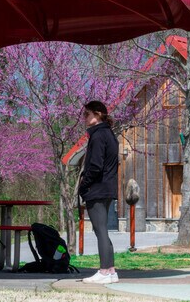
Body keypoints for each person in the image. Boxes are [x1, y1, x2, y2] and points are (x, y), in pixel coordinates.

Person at [78, 100, 119, 284]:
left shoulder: (98, 136)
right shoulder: (110, 134)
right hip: (108, 187)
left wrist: (83, 185)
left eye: (86, 114)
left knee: (100, 230)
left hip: (97, 188)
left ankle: (104, 271)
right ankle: (111, 271)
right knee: (103, 230)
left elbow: (95, 166)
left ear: (97, 114)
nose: (84, 118)